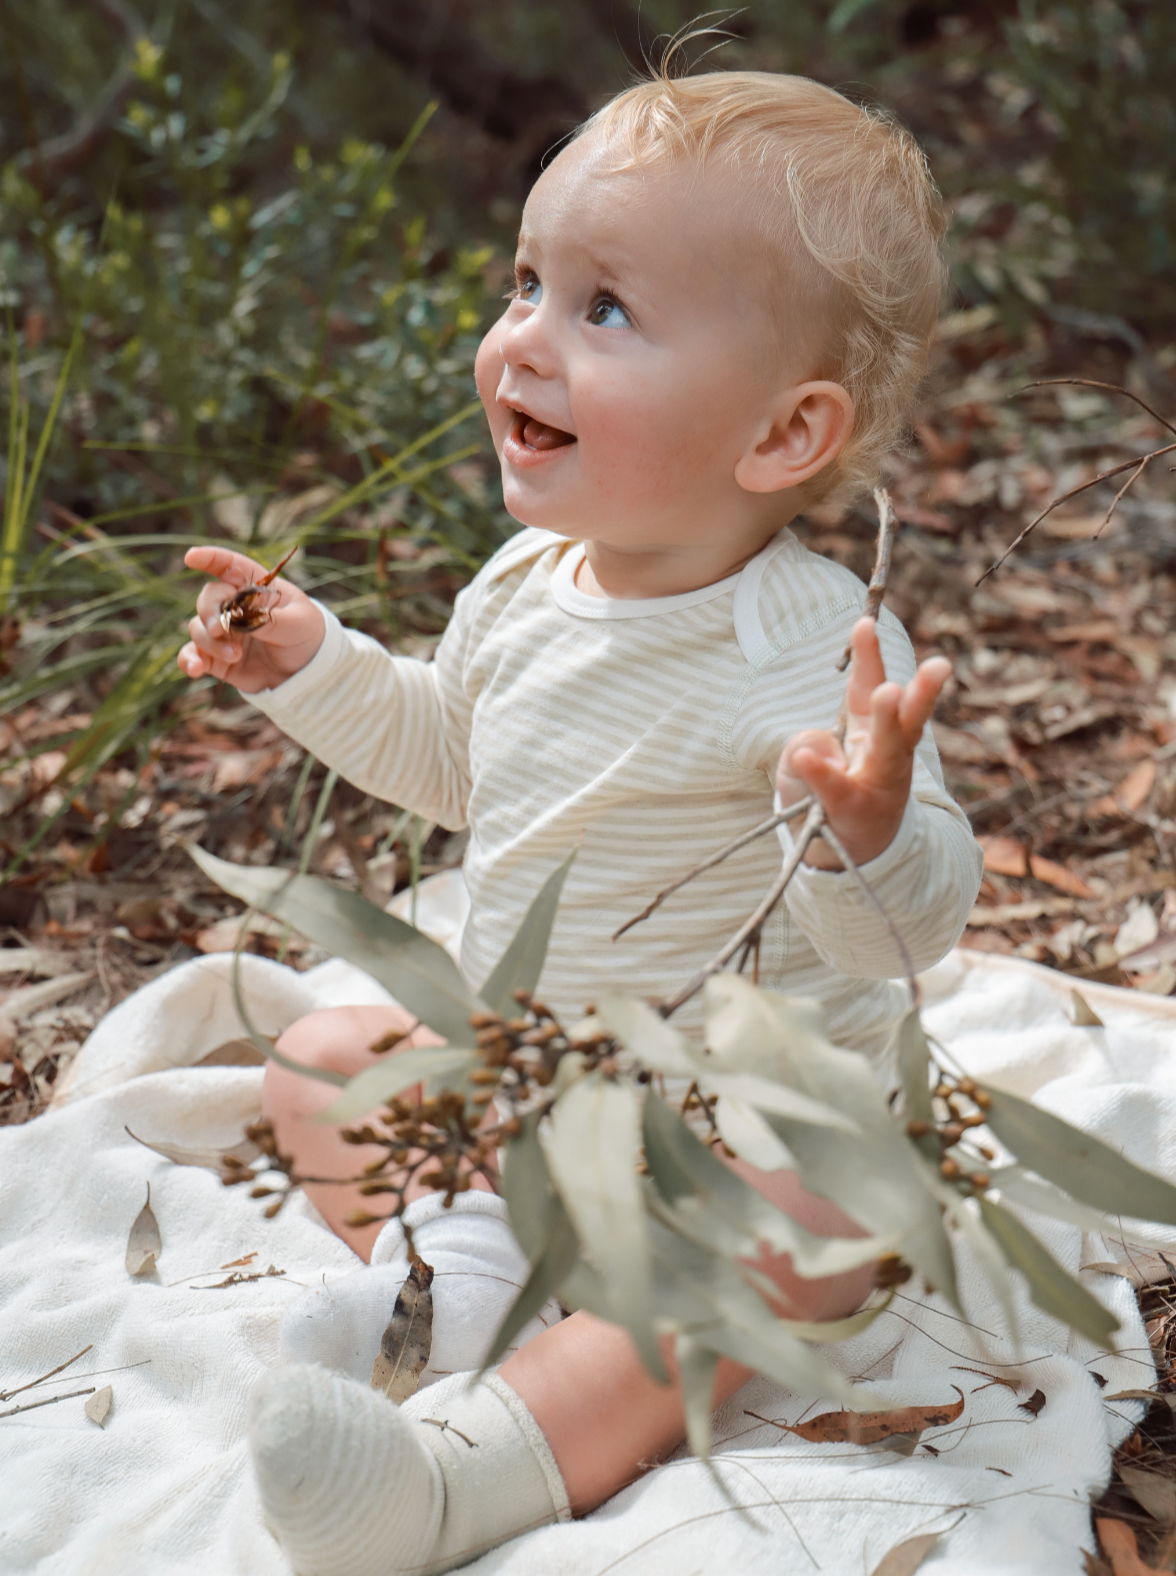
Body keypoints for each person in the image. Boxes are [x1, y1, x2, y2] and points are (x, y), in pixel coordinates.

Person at [178, 67, 982, 1576]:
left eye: (603, 310)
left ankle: (454, 1481)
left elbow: (907, 935)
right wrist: (315, 666)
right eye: (529, 282)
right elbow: (457, 761)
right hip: (534, 1089)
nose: (522, 341)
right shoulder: (526, 587)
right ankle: (473, 1272)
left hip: (732, 1139)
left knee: (798, 1230)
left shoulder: (808, 651)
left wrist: (872, 831)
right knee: (321, 1059)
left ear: (783, 432)